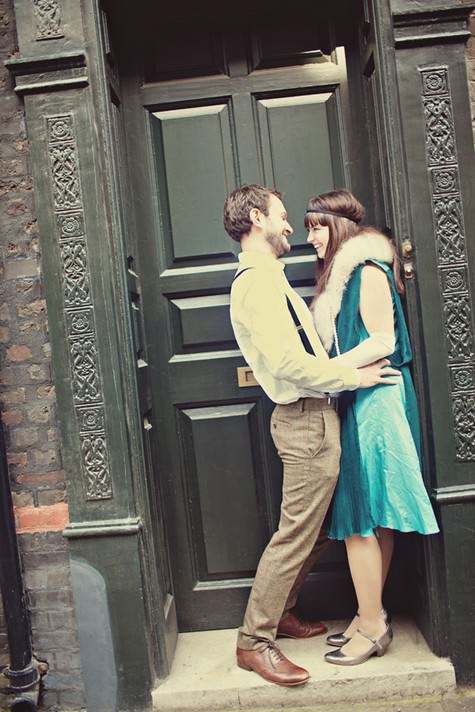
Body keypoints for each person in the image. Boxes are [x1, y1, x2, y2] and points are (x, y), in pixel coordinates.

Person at [223, 184, 400, 686]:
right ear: (257, 217)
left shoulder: (267, 277)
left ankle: (281, 611)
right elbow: (285, 362)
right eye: (282, 217)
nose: (288, 228)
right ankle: (254, 641)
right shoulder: (257, 282)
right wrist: (352, 377)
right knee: (296, 532)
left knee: (317, 527)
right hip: (302, 417)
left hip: (313, 416)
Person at [306, 188, 439, 666]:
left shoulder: (366, 271)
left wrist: (330, 372)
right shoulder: (347, 279)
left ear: (337, 227)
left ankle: (373, 625)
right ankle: (369, 615)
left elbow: (382, 339)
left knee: (362, 514)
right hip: (363, 395)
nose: (311, 238)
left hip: (377, 400)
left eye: (316, 227)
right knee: (371, 514)